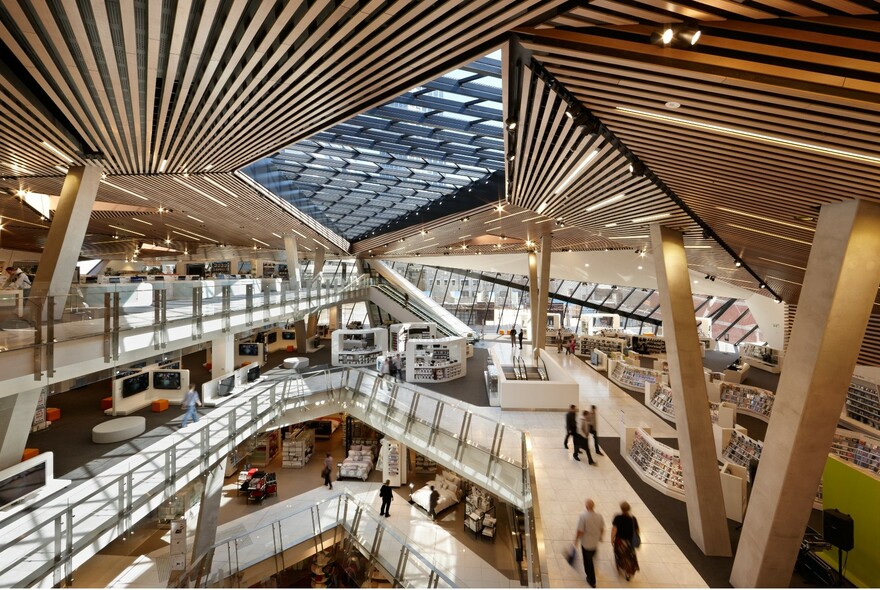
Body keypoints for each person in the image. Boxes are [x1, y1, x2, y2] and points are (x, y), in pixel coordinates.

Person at [575, 498, 604, 588]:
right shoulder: (599, 516)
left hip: (586, 543)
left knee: (588, 563)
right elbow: (602, 528)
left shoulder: (583, 516)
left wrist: (576, 540)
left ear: (586, 506)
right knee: (591, 557)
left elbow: (580, 530)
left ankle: (592, 581)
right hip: (595, 543)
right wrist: (600, 537)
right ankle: (592, 573)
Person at [611, 501, 640, 581]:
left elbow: (614, 530)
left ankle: (620, 567)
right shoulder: (633, 519)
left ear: (621, 509)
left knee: (619, 555)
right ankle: (628, 573)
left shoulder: (617, 518)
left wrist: (612, 539)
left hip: (620, 541)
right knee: (629, 557)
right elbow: (637, 530)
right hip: (629, 542)